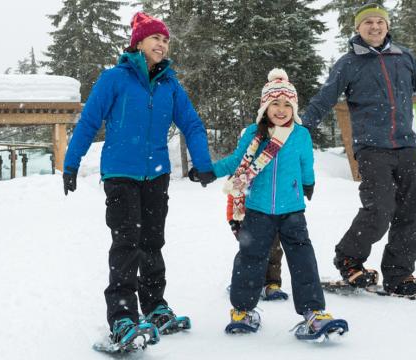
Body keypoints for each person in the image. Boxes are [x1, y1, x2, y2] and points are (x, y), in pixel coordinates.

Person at [62, 12, 216, 348]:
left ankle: (155, 305)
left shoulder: (170, 84)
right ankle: (122, 318)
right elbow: (88, 122)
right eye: (155, 38)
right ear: (139, 43)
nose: (161, 44)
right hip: (120, 174)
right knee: (126, 243)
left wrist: (202, 163)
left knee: (152, 243)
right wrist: (71, 163)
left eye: (165, 39)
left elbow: (192, 124)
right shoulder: (114, 79)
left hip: (156, 176)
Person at [301, 3, 416, 296]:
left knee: (413, 212)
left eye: (380, 22)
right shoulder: (348, 63)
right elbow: (324, 99)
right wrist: (303, 130)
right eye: (368, 23)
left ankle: (399, 274)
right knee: (380, 209)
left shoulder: (405, 58)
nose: (374, 27)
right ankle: (349, 259)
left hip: (405, 146)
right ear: (358, 29)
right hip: (371, 148)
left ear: (387, 26)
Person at [191, 68, 347, 339]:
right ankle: (242, 311)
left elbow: (305, 164)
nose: (281, 109)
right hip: (258, 209)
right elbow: (236, 162)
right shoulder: (254, 133)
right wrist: (209, 171)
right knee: (250, 258)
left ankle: (314, 312)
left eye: (287, 104)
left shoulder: (300, 134)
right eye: (275, 103)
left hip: (293, 210)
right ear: (265, 106)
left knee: (302, 258)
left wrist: (308, 183)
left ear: (294, 107)